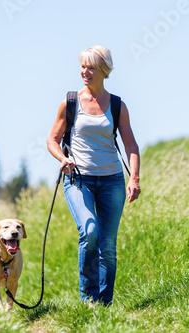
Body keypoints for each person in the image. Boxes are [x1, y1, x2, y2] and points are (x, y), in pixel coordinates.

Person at [46, 45, 141, 306]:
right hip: (79, 180)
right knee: (89, 232)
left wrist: (134, 178)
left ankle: (104, 305)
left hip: (112, 181)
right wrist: (63, 159)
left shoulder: (118, 105)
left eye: (90, 67)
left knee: (107, 246)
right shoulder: (71, 102)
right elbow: (52, 140)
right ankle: (88, 300)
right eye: (82, 66)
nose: (84, 72)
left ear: (104, 70)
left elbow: (131, 146)